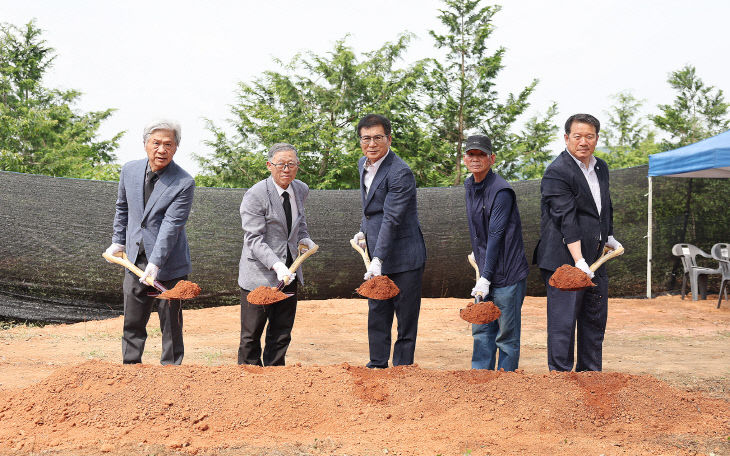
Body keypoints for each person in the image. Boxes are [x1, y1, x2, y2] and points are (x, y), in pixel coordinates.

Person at [533, 113, 622, 372]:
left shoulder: (600, 167)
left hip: (595, 258)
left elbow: (604, 207)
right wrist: (579, 261)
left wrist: (608, 237)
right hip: (565, 261)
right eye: (577, 136)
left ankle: (591, 381)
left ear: (596, 138)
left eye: (590, 136)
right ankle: (561, 384)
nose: (584, 141)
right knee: (563, 325)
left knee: (593, 322)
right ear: (566, 138)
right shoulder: (557, 172)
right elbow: (566, 219)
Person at [105, 119, 195, 365]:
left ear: (176, 148)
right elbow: (122, 208)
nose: (161, 150)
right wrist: (118, 242)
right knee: (133, 321)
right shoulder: (129, 170)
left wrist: (155, 264)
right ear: (145, 144)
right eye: (156, 143)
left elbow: (171, 226)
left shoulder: (183, 182)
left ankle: (172, 373)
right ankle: (131, 369)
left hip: (169, 266)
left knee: (171, 326)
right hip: (135, 259)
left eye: (168, 144)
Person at [352, 114, 427, 368]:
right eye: (366, 138)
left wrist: (378, 259)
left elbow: (392, 218)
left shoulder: (400, 172)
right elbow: (370, 208)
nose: (371, 144)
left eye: (377, 138)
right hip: (376, 252)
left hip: (405, 257)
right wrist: (363, 232)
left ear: (389, 139)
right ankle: (377, 366)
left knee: (405, 318)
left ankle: (403, 371)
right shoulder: (363, 163)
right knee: (377, 311)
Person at [237, 143, 315, 366]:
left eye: (291, 164)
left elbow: (299, 222)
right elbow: (253, 238)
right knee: (251, 335)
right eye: (280, 164)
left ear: (297, 166)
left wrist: (304, 237)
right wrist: (276, 265)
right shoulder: (255, 195)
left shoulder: (300, 189)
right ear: (269, 165)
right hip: (259, 275)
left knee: (281, 332)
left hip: (289, 272)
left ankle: (276, 378)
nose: (286, 169)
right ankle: (248, 377)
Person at [463, 135, 529, 371]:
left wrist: (485, 277)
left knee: (506, 335)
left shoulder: (501, 191)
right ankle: (480, 381)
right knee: (481, 329)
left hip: (507, 274)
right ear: (464, 159)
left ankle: (506, 385)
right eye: (471, 154)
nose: (476, 159)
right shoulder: (469, 185)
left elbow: (496, 234)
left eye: (481, 155)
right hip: (486, 270)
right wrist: (478, 256)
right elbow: (478, 227)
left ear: (492, 158)